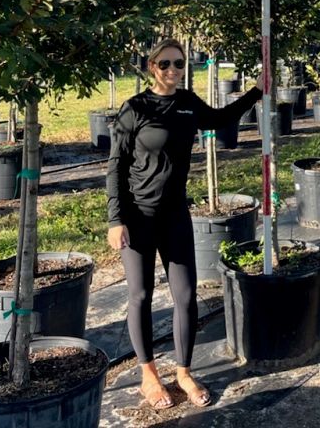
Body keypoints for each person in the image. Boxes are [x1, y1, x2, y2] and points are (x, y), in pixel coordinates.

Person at [106, 39, 263, 409]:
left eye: (179, 63)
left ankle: (184, 371)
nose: (173, 70)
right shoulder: (135, 109)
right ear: (151, 67)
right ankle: (148, 374)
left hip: (175, 213)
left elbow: (221, 119)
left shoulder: (188, 103)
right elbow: (115, 166)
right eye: (165, 64)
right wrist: (116, 219)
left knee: (186, 296)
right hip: (138, 217)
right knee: (140, 295)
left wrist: (256, 91)